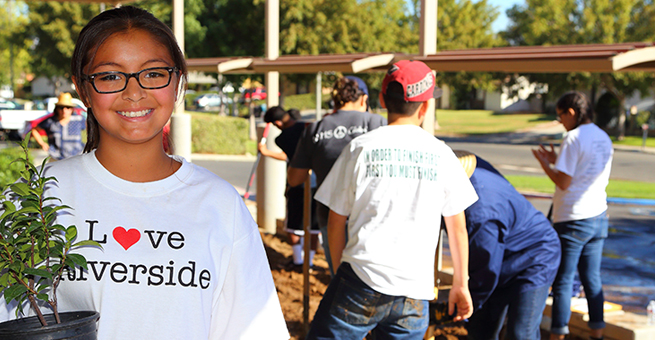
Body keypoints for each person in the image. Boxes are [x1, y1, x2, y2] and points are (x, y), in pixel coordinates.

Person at [0, 7, 288, 340]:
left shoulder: (219, 204)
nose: (134, 92)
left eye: (153, 73)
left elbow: (252, 330)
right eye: (110, 76)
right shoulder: (37, 198)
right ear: (83, 89)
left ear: (177, 79)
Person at [306, 60, 478, 339]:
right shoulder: (442, 154)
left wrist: (340, 275)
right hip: (414, 291)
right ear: (425, 107)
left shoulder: (360, 148)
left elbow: (336, 220)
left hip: (360, 278)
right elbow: (457, 228)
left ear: (383, 99)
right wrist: (461, 283)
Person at [453, 151, 561, 340]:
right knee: (480, 330)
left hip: (535, 255)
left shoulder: (481, 213)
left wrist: (466, 304)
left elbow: (486, 270)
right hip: (500, 253)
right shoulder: (471, 168)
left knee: (521, 333)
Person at [532, 91, 613, 340]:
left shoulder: (573, 137)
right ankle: (597, 332)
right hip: (598, 215)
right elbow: (584, 167)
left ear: (571, 112)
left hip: (573, 218)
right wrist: (558, 159)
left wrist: (546, 164)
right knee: (592, 279)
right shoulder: (603, 137)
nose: (561, 122)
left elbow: (564, 182)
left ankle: (558, 335)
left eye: (560, 117)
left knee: (563, 281)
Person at [288, 75, 386, 276]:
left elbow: (295, 179)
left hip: (330, 217)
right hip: (374, 216)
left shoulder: (315, 129)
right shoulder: (377, 123)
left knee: (341, 282)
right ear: (363, 99)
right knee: (376, 282)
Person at [259, 106, 319, 271]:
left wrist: (265, 152)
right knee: (314, 225)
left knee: (293, 222)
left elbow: (289, 157)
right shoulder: (308, 127)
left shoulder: (282, 139)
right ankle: (310, 262)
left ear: (278, 122)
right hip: (317, 181)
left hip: (296, 182)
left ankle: (298, 260)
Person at [30, 92, 85, 160]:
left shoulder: (79, 119)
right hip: (55, 157)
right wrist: (42, 143)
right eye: (61, 107)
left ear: (71, 109)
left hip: (76, 157)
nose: (64, 110)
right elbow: (34, 130)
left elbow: (91, 130)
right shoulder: (50, 121)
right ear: (57, 108)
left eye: (67, 107)